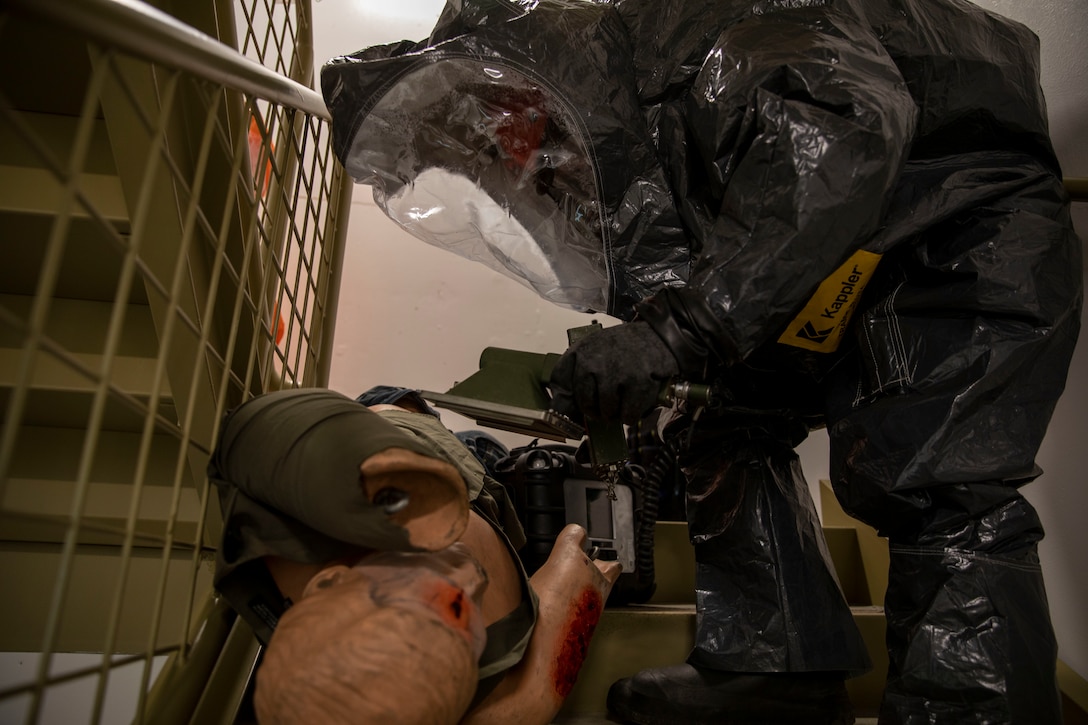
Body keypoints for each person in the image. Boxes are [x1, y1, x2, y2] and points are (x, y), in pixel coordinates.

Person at [320, 0, 1083, 722]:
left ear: (527, 76)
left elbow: (846, 133)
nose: (503, 159)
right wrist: (661, 351)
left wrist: (677, 331)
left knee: (931, 476)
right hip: (852, 245)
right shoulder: (610, 127)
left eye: (491, 132)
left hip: (959, 216)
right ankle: (776, 668)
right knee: (724, 420)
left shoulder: (697, 36)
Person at [208, 387, 621, 724]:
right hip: (475, 479)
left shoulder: (288, 571)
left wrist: (397, 494)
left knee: (388, 402)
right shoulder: (499, 695)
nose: (471, 582)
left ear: (331, 581)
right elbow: (574, 565)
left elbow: (253, 427)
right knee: (473, 444)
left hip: (394, 431)